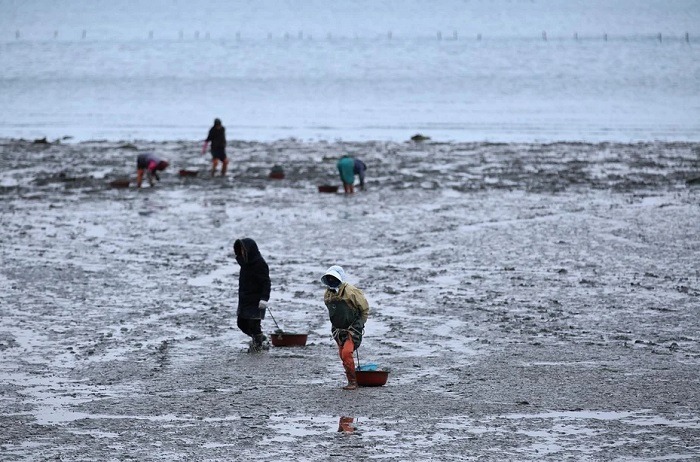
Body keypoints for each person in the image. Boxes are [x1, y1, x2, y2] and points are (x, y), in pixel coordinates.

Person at [321, 265, 369, 390]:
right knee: (343, 355)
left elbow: (364, 309)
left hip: (353, 328)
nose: (331, 281)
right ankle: (351, 378)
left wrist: (359, 326)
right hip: (337, 329)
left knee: (347, 353)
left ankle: (353, 382)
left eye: (334, 278)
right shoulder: (327, 294)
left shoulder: (351, 292)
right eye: (329, 278)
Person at [234, 238, 271, 352]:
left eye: (244, 250)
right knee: (241, 323)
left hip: (256, 301)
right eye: (241, 250)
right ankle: (260, 338)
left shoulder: (260, 264)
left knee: (254, 324)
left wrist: (264, 298)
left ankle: (257, 346)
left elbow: (266, 282)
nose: (242, 253)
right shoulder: (244, 264)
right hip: (244, 300)